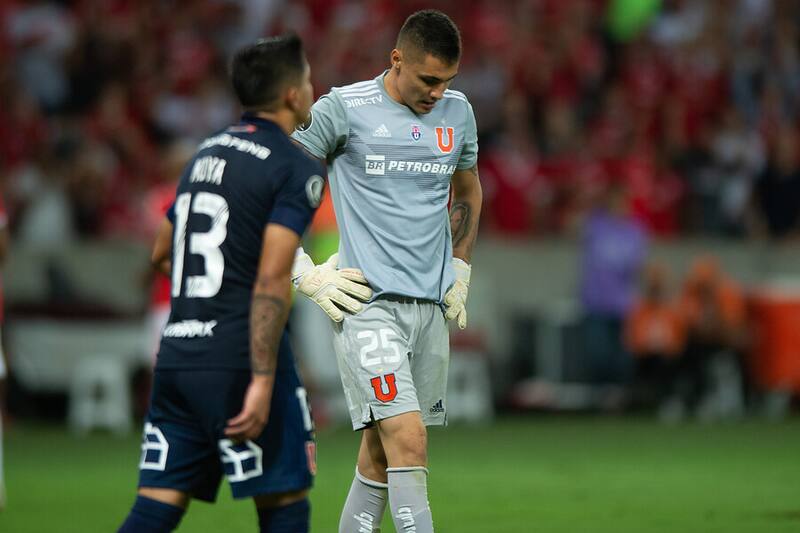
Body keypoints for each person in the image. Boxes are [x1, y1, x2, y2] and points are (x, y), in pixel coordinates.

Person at [117, 34, 370, 533]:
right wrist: (260, 380)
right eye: (308, 80)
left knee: (157, 505)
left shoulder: (203, 155)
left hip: (179, 356)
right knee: (285, 502)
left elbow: (161, 253)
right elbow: (275, 277)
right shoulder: (293, 166)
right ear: (293, 94)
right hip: (242, 358)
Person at [291, 10, 482, 533]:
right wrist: (301, 271)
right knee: (408, 437)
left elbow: (467, 188)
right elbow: (276, 179)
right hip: (365, 304)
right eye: (428, 80)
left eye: (447, 81)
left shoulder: (457, 113)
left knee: (379, 451)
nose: (438, 93)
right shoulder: (344, 109)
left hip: (430, 308)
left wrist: (460, 267)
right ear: (396, 60)